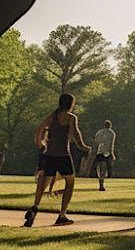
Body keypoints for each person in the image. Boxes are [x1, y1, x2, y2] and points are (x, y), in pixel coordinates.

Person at [24, 93, 91, 227]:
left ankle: (35, 207)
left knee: (43, 183)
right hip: (63, 155)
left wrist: (40, 143)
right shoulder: (71, 117)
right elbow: (75, 133)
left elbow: (39, 129)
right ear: (71, 104)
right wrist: (83, 146)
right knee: (70, 182)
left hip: (49, 155)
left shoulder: (53, 115)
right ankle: (62, 215)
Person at [92, 120, 116, 192]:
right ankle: (101, 182)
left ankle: (101, 181)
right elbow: (111, 144)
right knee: (104, 168)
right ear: (110, 125)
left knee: (100, 167)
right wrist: (112, 153)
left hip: (99, 152)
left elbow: (96, 143)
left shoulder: (99, 133)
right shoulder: (111, 133)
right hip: (107, 153)